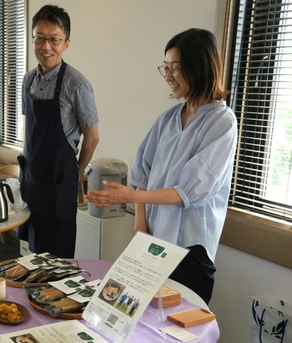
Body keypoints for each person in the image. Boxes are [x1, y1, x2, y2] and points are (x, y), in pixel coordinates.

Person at [85, 28, 237, 304]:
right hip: (152, 239)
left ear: (199, 67)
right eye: (166, 68)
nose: (168, 76)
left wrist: (131, 198)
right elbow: (142, 174)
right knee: (139, 311)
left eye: (175, 68)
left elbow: (189, 191)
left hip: (190, 248)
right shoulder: (168, 119)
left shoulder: (221, 122)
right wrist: (140, 224)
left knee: (181, 319)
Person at [18, 4, 100, 258]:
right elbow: (29, 128)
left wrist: (77, 172)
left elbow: (92, 137)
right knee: (31, 256)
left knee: (57, 261)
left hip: (58, 185)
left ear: (66, 43)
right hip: (32, 182)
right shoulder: (28, 80)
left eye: (54, 39)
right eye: (39, 38)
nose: (46, 46)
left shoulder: (77, 85)